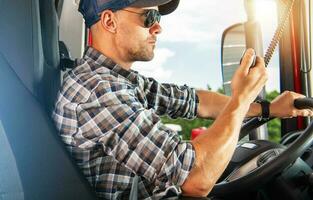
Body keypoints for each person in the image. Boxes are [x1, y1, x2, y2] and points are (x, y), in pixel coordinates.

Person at [52, 0, 313, 199]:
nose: (158, 26)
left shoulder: (116, 79)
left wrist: (268, 108)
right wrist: (241, 98)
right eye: (149, 16)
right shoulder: (98, 91)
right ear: (109, 21)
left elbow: (195, 100)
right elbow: (195, 178)